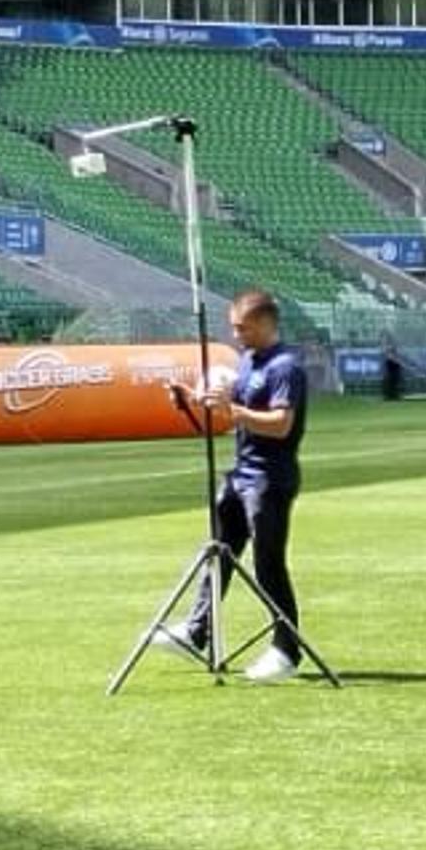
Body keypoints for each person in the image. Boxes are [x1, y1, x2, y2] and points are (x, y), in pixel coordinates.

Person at [165, 290, 310, 682]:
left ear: (265, 323)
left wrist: (234, 411)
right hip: (240, 473)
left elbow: (280, 424)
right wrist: (196, 401)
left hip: (270, 479)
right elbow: (237, 408)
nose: (236, 335)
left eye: (242, 327)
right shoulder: (247, 361)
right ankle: (197, 631)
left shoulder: (285, 367)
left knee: (268, 565)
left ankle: (287, 650)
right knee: (218, 551)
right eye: (233, 327)